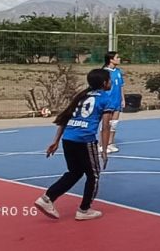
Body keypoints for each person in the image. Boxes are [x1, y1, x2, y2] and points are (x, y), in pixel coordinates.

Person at [34, 69, 115, 221]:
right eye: (109, 80)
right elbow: (105, 126)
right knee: (94, 175)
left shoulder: (81, 96)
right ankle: (84, 210)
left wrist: (56, 140)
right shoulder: (106, 99)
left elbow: (65, 119)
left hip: (68, 138)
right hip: (85, 140)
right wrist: (104, 149)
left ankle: (47, 198)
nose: (111, 82)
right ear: (104, 83)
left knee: (75, 172)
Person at [102, 51, 125, 154]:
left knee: (114, 124)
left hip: (117, 100)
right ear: (111, 59)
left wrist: (123, 99)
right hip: (108, 101)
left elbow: (121, 86)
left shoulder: (118, 71)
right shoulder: (104, 72)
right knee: (106, 123)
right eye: (117, 57)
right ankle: (103, 144)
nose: (119, 59)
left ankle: (110, 143)